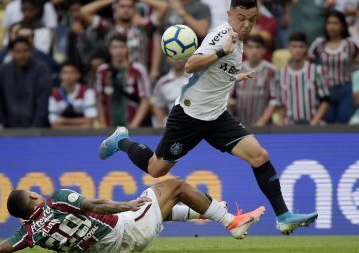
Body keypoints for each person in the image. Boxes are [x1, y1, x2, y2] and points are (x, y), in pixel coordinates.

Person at [99, 0, 318, 235]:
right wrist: (222, 50)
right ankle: (121, 140)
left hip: (216, 116)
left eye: (252, 20)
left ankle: (283, 216)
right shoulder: (222, 36)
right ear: (229, 14)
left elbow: (213, 73)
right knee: (156, 169)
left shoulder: (237, 39)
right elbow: (191, 65)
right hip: (189, 116)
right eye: (241, 18)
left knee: (259, 156)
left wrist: (234, 77)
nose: (247, 24)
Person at [0, 178, 266, 253]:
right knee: (172, 185)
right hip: (126, 229)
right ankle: (231, 222)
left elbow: (2, 248)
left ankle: (202, 214)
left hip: (115, 248)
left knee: (158, 207)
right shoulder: (56, 199)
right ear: (31, 197)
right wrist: (125, 205)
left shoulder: (29, 233)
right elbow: (95, 205)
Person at [309, 10, 359, 123]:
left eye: (336, 23)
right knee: (327, 123)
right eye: (329, 23)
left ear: (342, 26)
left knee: (344, 121)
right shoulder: (319, 44)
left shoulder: (350, 44)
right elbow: (307, 63)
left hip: (346, 89)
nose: (332, 27)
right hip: (325, 91)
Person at [0, 37, 52, 129]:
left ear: (31, 51)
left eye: (25, 51)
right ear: (11, 53)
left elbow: (43, 102)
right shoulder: (3, 70)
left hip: (35, 128)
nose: (22, 55)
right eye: (18, 51)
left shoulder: (41, 69)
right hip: (7, 128)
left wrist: (36, 128)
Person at [95, 33, 151, 128]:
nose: (118, 51)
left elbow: (145, 99)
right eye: (115, 47)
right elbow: (99, 100)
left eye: (121, 47)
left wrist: (133, 126)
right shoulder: (102, 71)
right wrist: (103, 126)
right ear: (109, 50)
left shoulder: (138, 70)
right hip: (109, 129)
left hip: (133, 129)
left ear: (127, 49)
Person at [277, 32, 330, 125]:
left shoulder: (315, 70)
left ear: (306, 48)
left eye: (301, 46)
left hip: (313, 125)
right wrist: (281, 121)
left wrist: (314, 122)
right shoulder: (281, 73)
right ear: (288, 48)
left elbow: (325, 100)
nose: (297, 50)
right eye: (293, 46)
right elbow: (280, 103)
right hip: (289, 126)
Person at [229, 35, 278, 126]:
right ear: (245, 49)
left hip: (264, 127)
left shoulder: (271, 70)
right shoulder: (237, 69)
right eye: (250, 47)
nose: (254, 51)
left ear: (264, 50)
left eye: (258, 47)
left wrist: (262, 122)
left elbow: (273, 101)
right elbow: (231, 98)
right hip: (239, 125)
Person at [49, 62, 97, 129]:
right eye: (65, 73)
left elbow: (90, 121)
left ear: (78, 75)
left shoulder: (87, 92)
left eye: (72, 72)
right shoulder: (54, 95)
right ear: (60, 75)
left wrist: (63, 121)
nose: (68, 76)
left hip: (85, 135)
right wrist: (82, 125)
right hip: (62, 136)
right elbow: (53, 124)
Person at [152, 58, 187, 128]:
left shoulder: (196, 78)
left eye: (181, 55)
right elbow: (158, 105)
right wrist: (160, 123)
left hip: (194, 127)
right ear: (168, 59)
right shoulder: (162, 82)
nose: (177, 60)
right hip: (173, 127)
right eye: (173, 56)